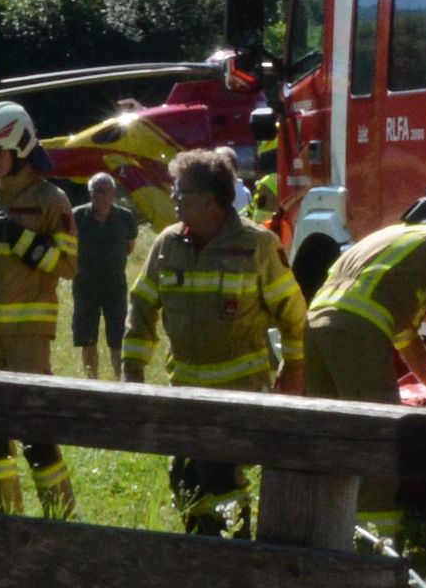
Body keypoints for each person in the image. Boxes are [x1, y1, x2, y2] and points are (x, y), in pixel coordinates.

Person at [125, 147, 304, 535]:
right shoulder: (166, 245)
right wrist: (132, 372)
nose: (173, 198)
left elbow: (293, 316)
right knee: (184, 478)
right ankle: (204, 553)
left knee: (220, 475)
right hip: (186, 392)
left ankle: (233, 553)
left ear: (209, 200)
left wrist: (293, 374)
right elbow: (141, 307)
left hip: (240, 393)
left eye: (181, 191)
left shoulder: (257, 246)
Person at [304, 183, 426, 541]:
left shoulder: (395, 238)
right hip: (355, 332)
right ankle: (374, 548)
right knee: (380, 446)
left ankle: (323, 539)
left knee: (332, 441)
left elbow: (405, 338)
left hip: (316, 324)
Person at [0, 99, 80, 516]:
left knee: (35, 434)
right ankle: (3, 521)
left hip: (29, 335)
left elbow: (68, 264)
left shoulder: (51, 200)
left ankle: (59, 520)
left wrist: (19, 239)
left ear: (21, 147)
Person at [68, 168, 144, 381]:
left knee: (118, 338)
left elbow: (129, 247)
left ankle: (120, 382)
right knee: (87, 338)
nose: (98, 195)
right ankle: (92, 381)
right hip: (85, 286)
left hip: (115, 286)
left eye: (103, 191)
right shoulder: (77, 216)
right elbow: (69, 247)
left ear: (113, 193)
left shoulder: (125, 218)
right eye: (94, 190)